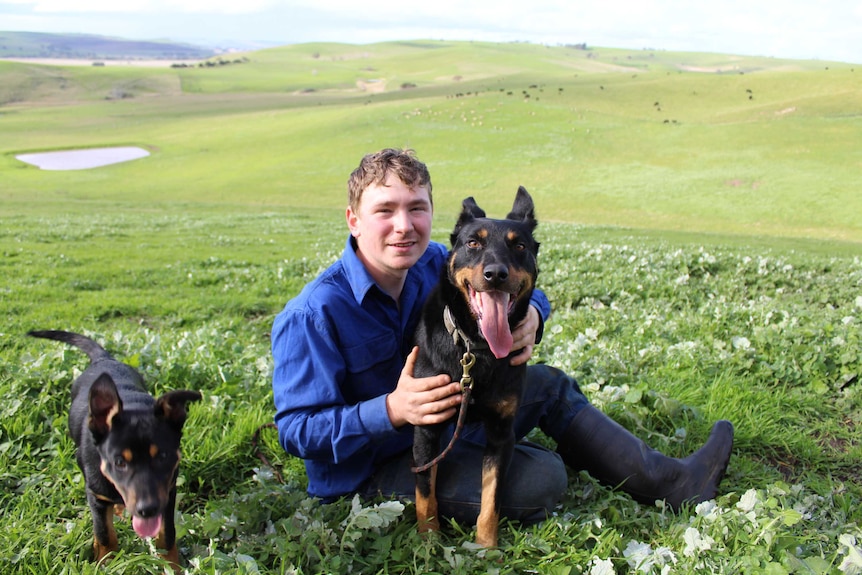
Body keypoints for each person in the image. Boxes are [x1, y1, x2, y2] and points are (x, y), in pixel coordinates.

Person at [271, 148, 733, 525]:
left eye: (417, 208)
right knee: (542, 480)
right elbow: (294, 432)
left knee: (550, 384)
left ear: (433, 214)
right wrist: (391, 410)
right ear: (353, 219)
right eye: (384, 211)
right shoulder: (313, 314)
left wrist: (533, 311)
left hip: (452, 419)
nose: (403, 225)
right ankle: (501, 460)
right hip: (371, 469)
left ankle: (673, 483)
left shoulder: (438, 261)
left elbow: (514, 279)